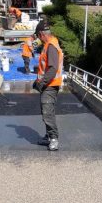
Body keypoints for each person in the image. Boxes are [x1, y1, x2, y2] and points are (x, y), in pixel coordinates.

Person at [32, 20, 63, 151]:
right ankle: (49, 136)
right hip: (48, 85)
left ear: (41, 34)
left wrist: (41, 83)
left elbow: (52, 68)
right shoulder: (49, 44)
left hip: (50, 85)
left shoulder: (51, 46)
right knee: (46, 111)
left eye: (38, 36)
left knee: (47, 112)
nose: (38, 39)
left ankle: (54, 138)